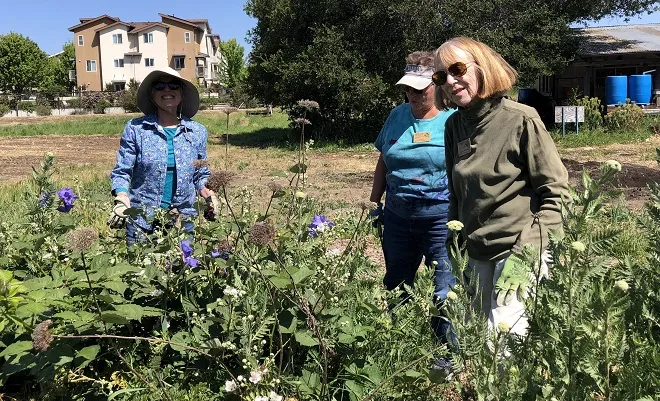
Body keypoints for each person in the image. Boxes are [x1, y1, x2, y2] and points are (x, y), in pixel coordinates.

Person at [433, 37, 569, 337]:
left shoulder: (521, 119)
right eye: (441, 76)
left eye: (458, 69)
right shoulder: (453, 126)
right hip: (476, 251)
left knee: (503, 347)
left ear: (482, 68)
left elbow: (556, 194)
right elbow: (456, 192)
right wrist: (454, 246)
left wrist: (527, 254)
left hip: (517, 248)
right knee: (477, 344)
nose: (451, 81)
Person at [369, 51, 457, 367]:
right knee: (396, 282)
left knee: (443, 289)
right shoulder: (397, 116)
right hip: (397, 216)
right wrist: (374, 201)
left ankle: (446, 355)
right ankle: (403, 345)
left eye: (421, 88)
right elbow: (383, 158)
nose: (415, 95)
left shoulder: (453, 119)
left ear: (438, 83)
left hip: (439, 217)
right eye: (409, 88)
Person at [108, 66, 218, 245]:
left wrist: (208, 195)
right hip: (142, 220)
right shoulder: (137, 129)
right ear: (152, 95)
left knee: (181, 271)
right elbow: (122, 170)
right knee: (140, 271)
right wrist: (122, 198)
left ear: (182, 93)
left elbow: (200, 174)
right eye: (159, 86)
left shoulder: (196, 131)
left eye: (173, 86)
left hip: (182, 220)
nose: (167, 90)